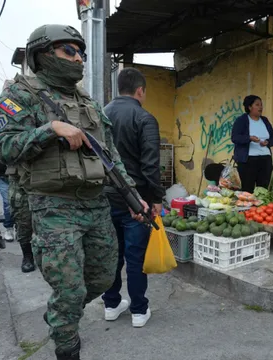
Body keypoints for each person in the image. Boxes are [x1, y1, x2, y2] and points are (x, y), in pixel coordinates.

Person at [0, 24, 147, 360]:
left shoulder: (85, 100)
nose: (78, 59)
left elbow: (110, 154)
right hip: (53, 208)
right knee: (70, 288)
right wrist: (50, 129)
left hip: (96, 204)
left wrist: (133, 196)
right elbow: (0, 148)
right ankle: (67, 345)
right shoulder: (22, 96)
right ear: (42, 55)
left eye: (81, 53)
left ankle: (61, 314)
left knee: (104, 278)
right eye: (68, 51)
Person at [101, 67, 165, 328]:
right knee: (136, 256)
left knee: (111, 254)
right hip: (135, 201)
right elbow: (150, 165)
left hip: (103, 197)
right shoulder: (144, 118)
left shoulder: (101, 114)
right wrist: (157, 197)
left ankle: (111, 304)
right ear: (140, 90)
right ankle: (139, 310)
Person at [231, 95, 273, 193]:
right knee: (247, 190)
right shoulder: (242, 120)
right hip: (248, 161)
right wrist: (249, 138)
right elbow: (235, 137)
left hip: (265, 160)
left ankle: (261, 208)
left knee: (263, 190)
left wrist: (268, 142)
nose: (261, 107)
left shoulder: (265, 120)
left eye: (261, 105)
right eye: (257, 105)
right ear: (249, 107)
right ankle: (248, 208)